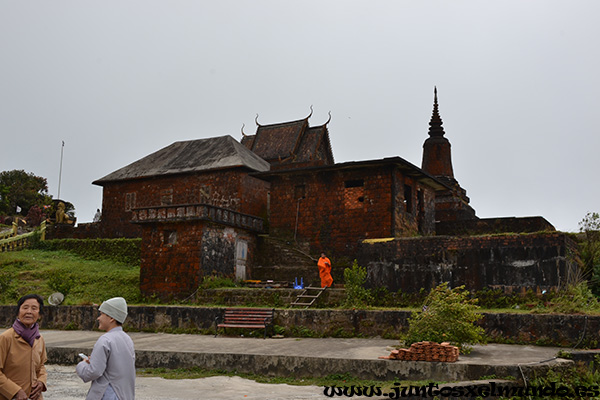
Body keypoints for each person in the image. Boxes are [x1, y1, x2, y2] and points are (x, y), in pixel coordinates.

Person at [76, 297, 135, 400]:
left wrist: (82, 364)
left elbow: (94, 371)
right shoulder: (127, 339)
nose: (98, 318)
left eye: (102, 314)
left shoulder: (105, 340)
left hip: (108, 394)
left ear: (111, 318)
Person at [0, 294, 47, 400]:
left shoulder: (39, 339)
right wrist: (15, 391)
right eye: (25, 308)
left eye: (34, 308)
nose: (29, 312)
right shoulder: (6, 338)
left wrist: (41, 382)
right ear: (18, 313)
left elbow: (41, 366)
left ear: (39, 315)